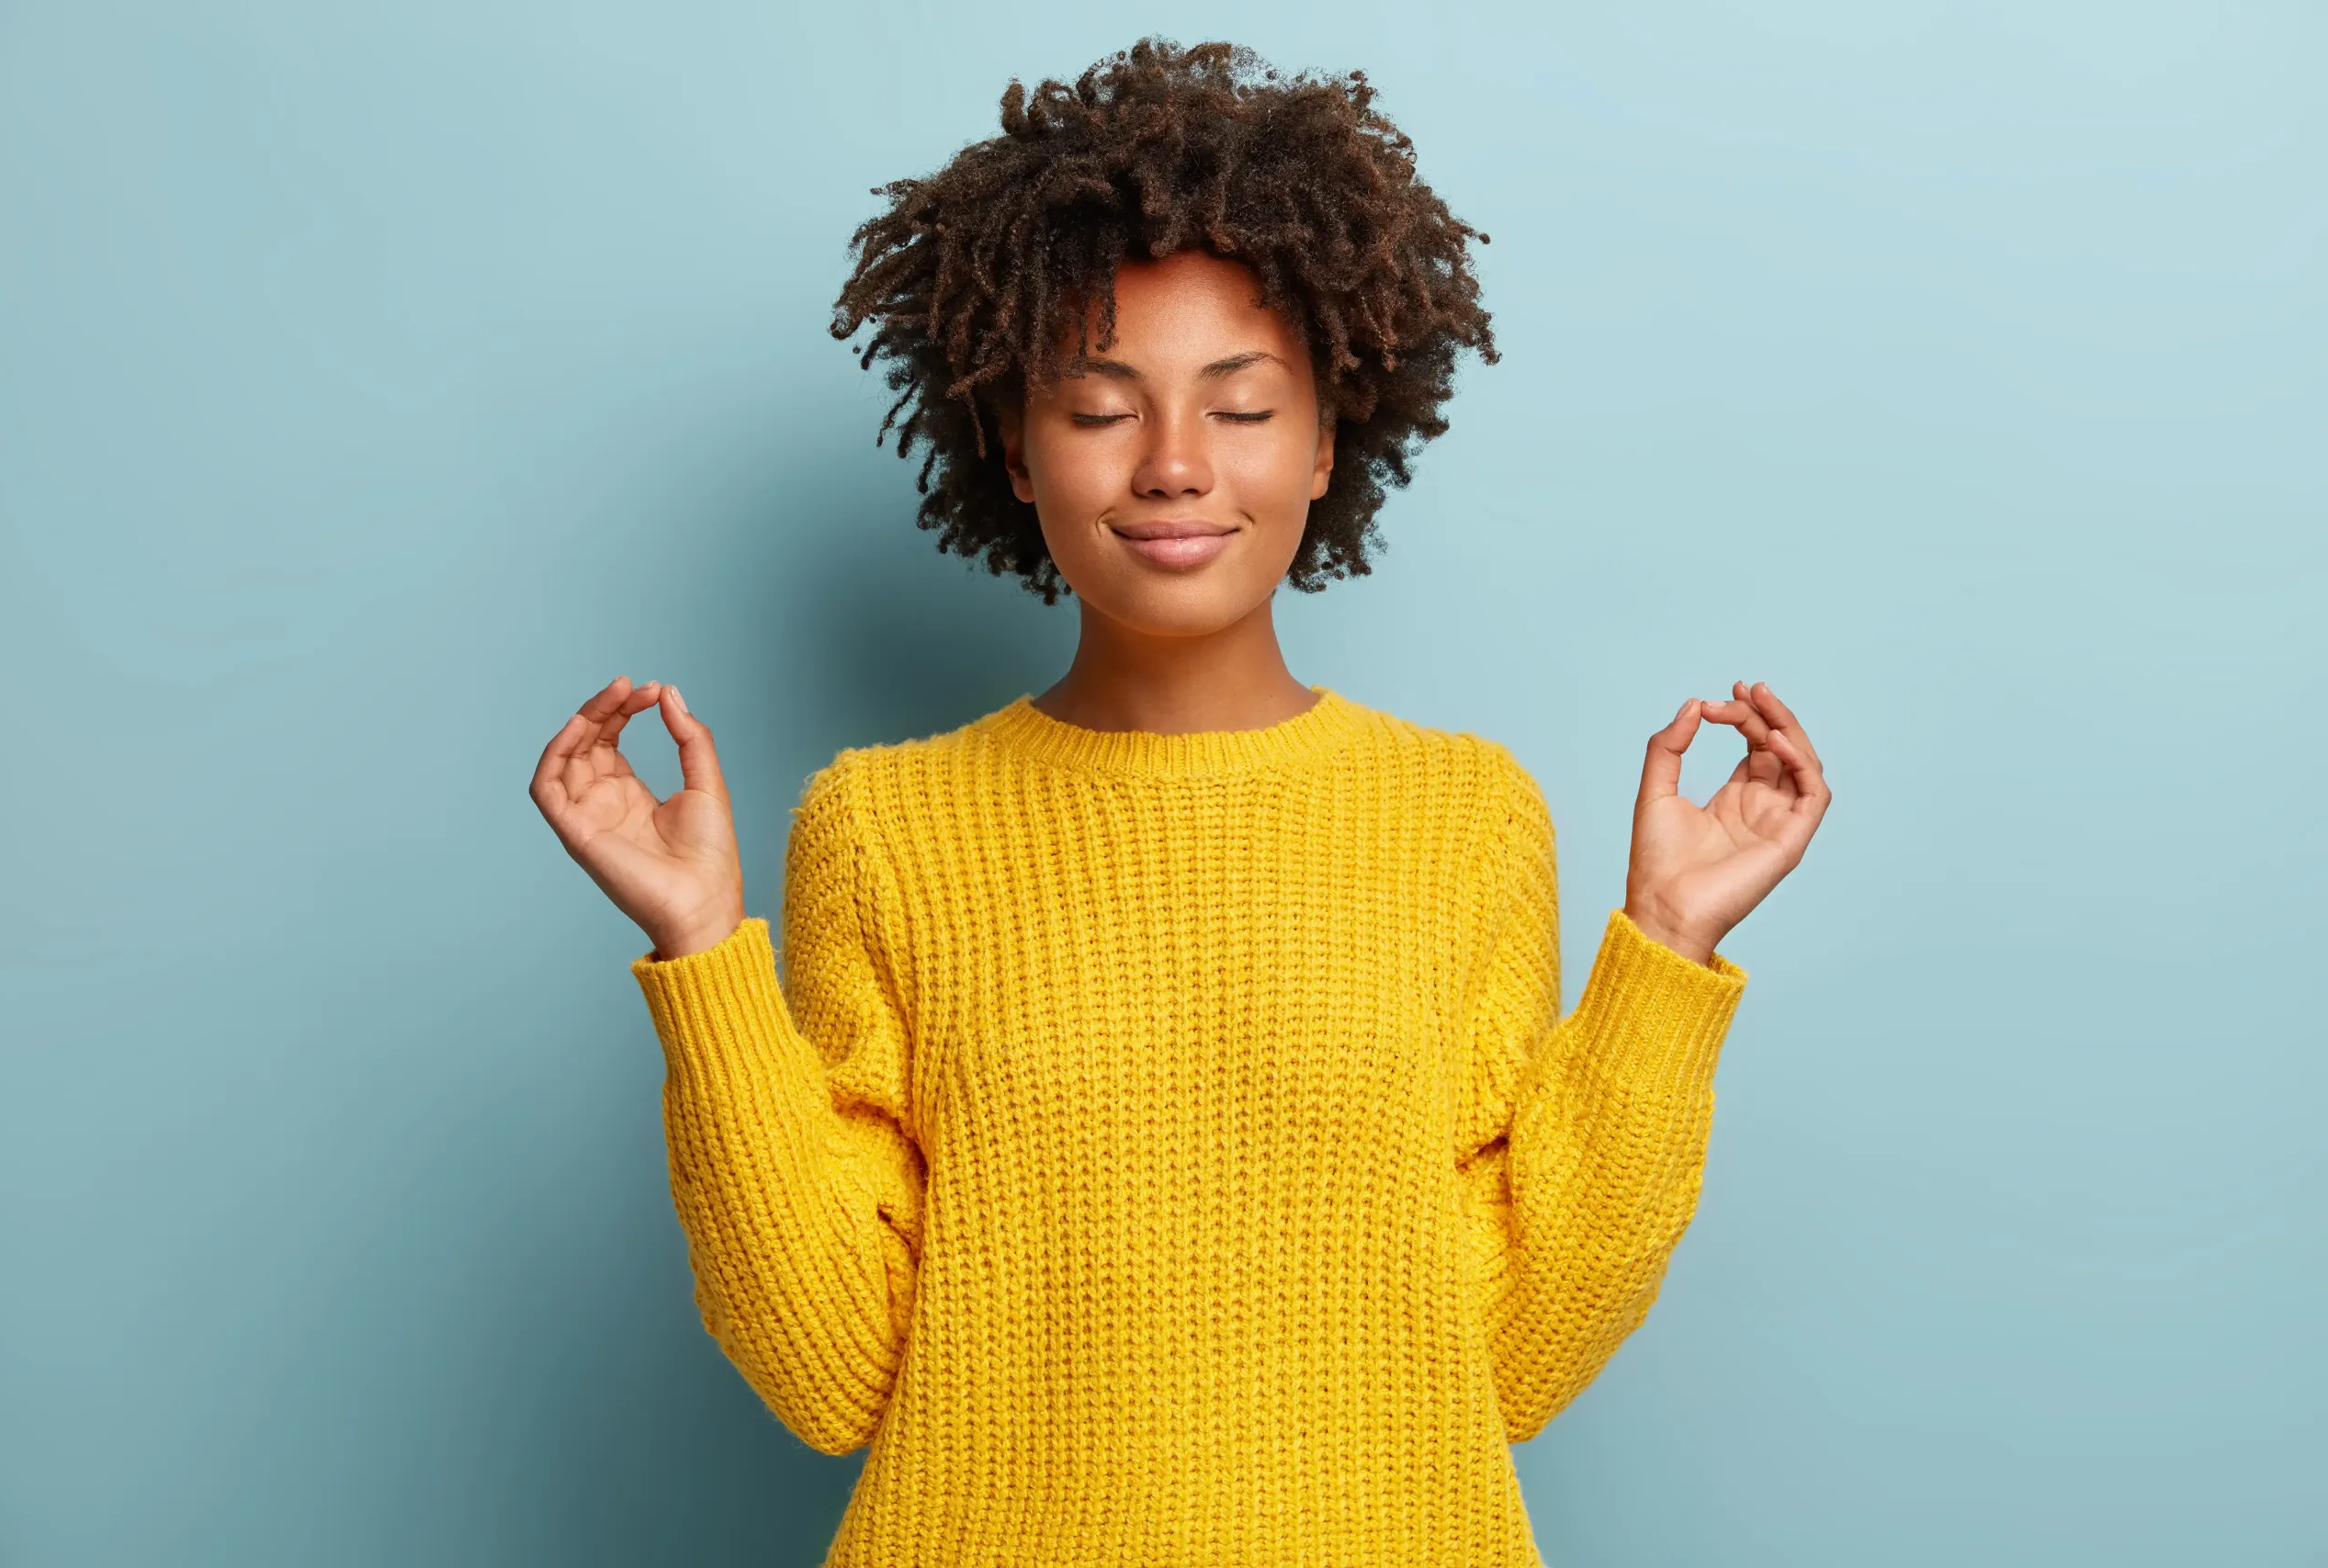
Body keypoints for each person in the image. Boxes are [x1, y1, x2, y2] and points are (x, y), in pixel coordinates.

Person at [529, 38, 1828, 1568]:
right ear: (1013, 449)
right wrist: (702, 959)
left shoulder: (1468, 818)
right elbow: (832, 1369)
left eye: (1242, 405)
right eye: (1098, 409)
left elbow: (1510, 1351)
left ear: (1334, 436)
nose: (1172, 466)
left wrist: (1665, 952)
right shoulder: (881, 827)